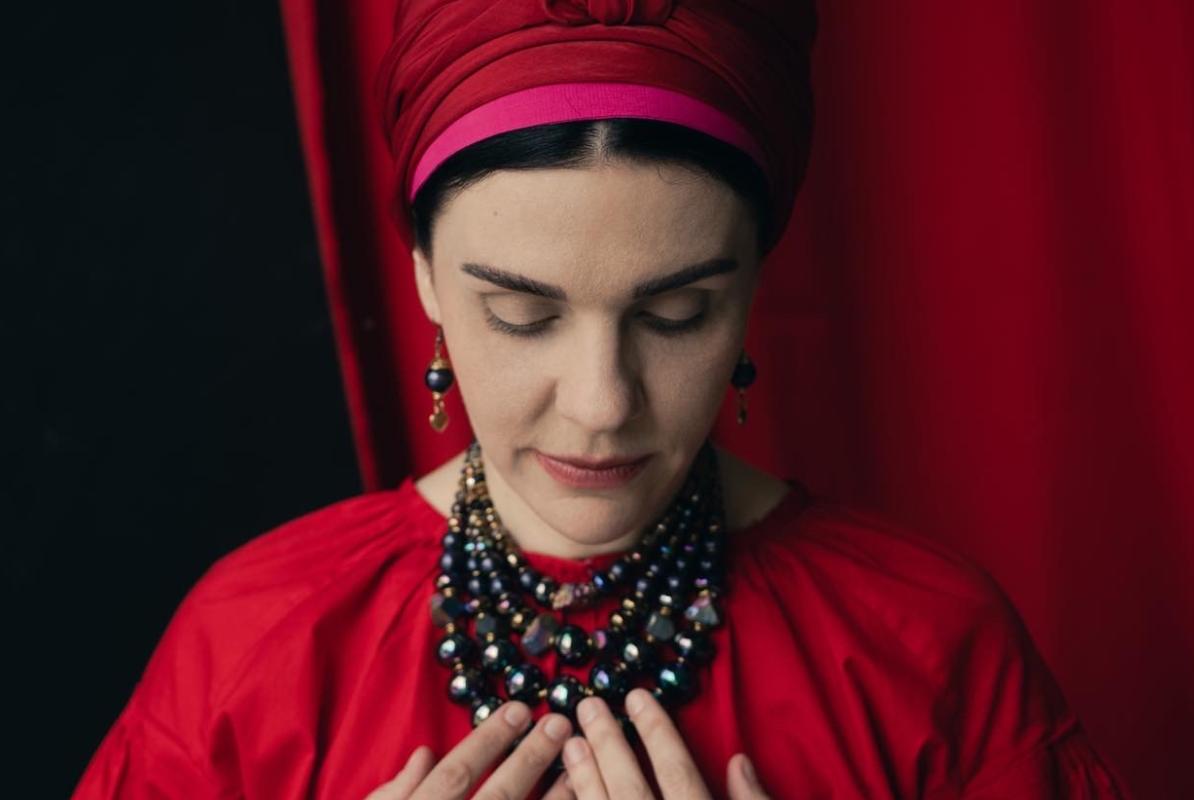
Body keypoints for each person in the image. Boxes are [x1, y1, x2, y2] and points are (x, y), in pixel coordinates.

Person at [74, 1, 1129, 797]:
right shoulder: (253, 648)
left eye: (674, 314)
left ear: (753, 283)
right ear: (425, 278)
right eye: (522, 315)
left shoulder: (928, 649)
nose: (599, 404)